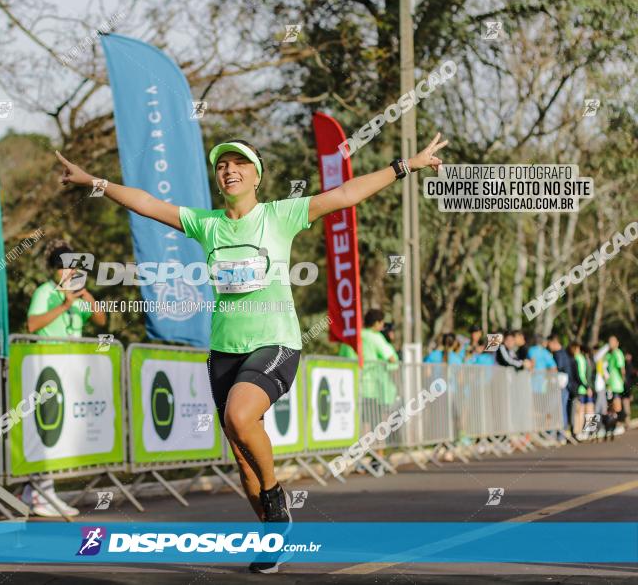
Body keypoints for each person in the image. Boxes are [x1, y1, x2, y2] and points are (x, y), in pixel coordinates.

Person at [56, 133, 448, 573]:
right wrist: (94, 180)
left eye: (238, 163)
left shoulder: (280, 215)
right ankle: (272, 539)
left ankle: (277, 499)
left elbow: (344, 193)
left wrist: (406, 166)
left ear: (255, 175)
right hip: (224, 350)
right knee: (241, 457)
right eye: (222, 165)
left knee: (240, 418)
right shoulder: (207, 224)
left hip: (275, 342)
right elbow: (147, 203)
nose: (229, 170)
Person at [22, 241, 108, 517]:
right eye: (63, 268)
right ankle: (42, 495)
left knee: (59, 432)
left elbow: (101, 321)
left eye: (73, 267)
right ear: (54, 271)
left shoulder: (79, 293)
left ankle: (32, 493)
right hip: (47, 371)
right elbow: (32, 325)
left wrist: (87, 297)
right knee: (49, 430)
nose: (69, 273)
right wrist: (64, 304)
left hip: (71, 372)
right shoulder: (45, 292)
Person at [549, 335, 576, 435]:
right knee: (562, 409)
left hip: (560, 385)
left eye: (550, 344)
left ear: (555, 342)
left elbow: (558, 367)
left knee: (558, 409)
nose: (549, 346)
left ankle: (558, 434)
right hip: (566, 385)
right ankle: (562, 433)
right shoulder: (565, 353)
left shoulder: (558, 354)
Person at [603, 335, 627, 435]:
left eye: (612, 342)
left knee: (617, 404)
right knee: (610, 406)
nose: (610, 344)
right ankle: (610, 426)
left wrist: (623, 380)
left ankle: (619, 425)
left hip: (616, 384)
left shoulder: (618, 353)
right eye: (609, 342)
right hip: (608, 384)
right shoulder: (608, 355)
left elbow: (622, 369)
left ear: (617, 343)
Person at [572, 343, 594, 440]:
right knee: (587, 410)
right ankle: (587, 432)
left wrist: (587, 387)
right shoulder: (586, 360)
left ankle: (582, 432)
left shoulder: (579, 359)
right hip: (585, 388)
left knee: (583, 411)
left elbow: (581, 375)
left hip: (583, 388)